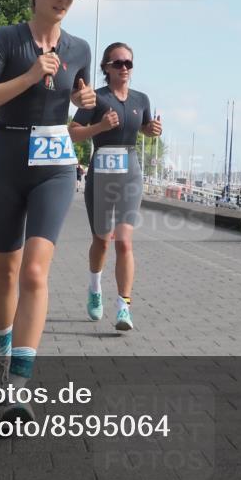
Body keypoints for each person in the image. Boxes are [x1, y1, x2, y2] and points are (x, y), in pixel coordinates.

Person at [0, 0, 95, 420]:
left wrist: (83, 101)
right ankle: (3, 356)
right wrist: (28, 76)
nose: (63, 0)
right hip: (6, 156)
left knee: (35, 272)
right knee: (5, 270)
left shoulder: (80, 48)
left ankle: (18, 388)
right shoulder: (7, 39)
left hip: (55, 164)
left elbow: (78, 101)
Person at [69, 42, 162, 332]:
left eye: (128, 63)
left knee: (124, 241)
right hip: (101, 173)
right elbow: (73, 133)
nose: (124, 68)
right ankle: (95, 288)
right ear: (106, 67)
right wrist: (100, 127)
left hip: (130, 172)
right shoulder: (96, 98)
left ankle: (124, 306)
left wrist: (151, 130)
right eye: (118, 63)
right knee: (101, 240)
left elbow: (143, 126)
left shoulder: (141, 99)